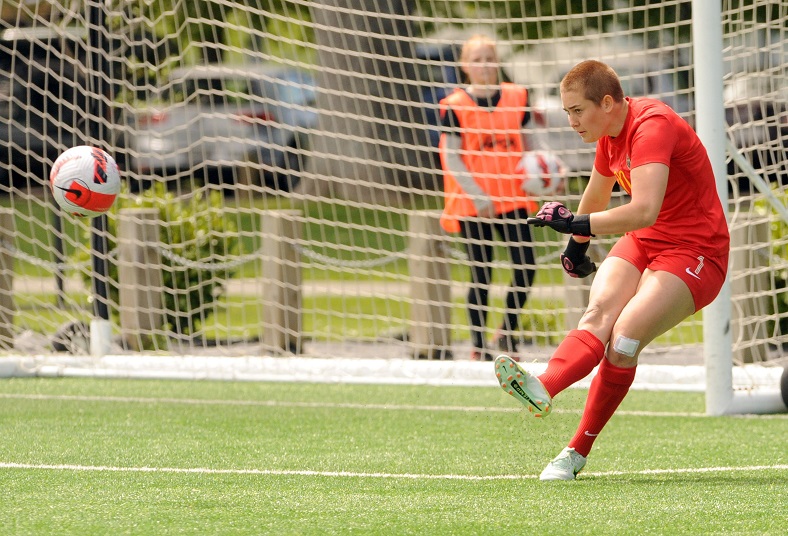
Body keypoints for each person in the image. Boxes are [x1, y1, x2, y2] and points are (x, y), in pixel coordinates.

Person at [494, 59, 730, 480]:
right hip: (646, 241)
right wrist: (575, 246)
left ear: (607, 102)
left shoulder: (652, 125)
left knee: (623, 340)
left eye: (577, 111)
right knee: (598, 312)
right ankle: (543, 386)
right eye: (566, 112)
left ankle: (576, 450)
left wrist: (575, 224)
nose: (571, 122)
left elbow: (643, 210)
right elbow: (597, 194)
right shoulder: (607, 135)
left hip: (697, 251)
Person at [438, 34, 562, 361]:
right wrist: (478, 195)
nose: (484, 64)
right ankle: (478, 344)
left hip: (513, 196)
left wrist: (552, 171)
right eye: (477, 59)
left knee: (526, 266)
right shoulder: (454, 106)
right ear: (465, 66)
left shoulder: (516, 95)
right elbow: (451, 158)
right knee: (481, 271)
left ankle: (506, 334)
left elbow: (531, 141)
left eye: (489, 57)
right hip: (474, 202)